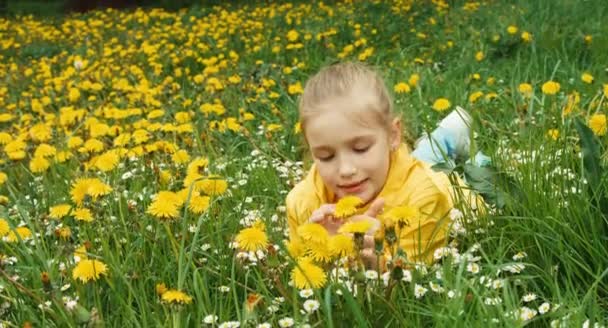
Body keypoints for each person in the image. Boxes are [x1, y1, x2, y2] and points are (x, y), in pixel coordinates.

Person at [285, 61, 483, 268]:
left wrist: (376, 260)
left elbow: (412, 275)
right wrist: (321, 246)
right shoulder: (303, 203)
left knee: (473, 170)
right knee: (422, 157)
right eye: (326, 156)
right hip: (394, 166)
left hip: (449, 190)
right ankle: (442, 138)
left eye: (360, 148)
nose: (345, 170)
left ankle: (453, 141)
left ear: (393, 135)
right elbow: (305, 268)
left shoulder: (426, 197)